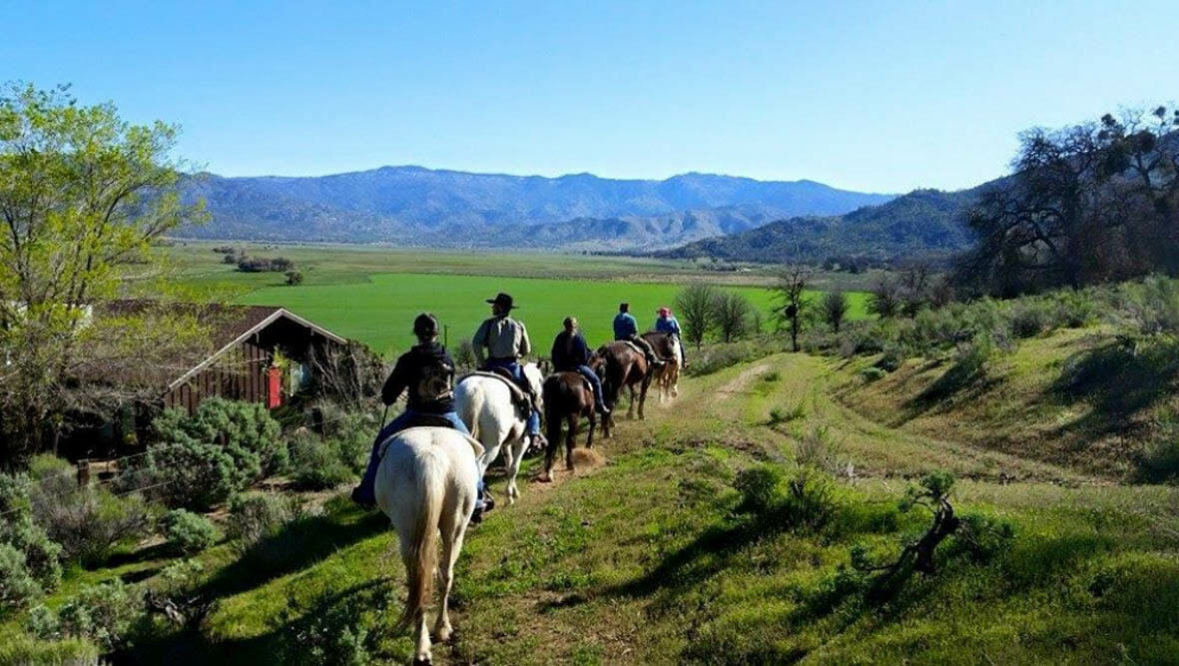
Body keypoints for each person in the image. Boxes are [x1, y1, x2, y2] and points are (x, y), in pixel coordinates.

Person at [352, 313, 493, 519]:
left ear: (417, 334)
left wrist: (389, 398)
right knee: (473, 452)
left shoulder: (408, 360)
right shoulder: (447, 356)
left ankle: (367, 493)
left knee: (380, 442)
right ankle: (478, 497)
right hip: (447, 414)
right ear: (436, 333)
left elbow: (390, 393)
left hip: (416, 414)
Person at [472, 292, 543, 445]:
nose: (492, 308)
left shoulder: (488, 324)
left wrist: (482, 361)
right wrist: (518, 354)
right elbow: (527, 349)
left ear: (499, 307)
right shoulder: (518, 325)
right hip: (511, 367)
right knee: (529, 395)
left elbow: (476, 343)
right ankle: (534, 432)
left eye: (494, 305)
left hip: (491, 365)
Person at [551, 316, 609, 415]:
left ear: (565, 326)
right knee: (596, 381)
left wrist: (557, 365)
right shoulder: (579, 338)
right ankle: (600, 404)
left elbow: (554, 353)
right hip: (577, 367)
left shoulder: (560, 337)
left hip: (560, 367)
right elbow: (584, 357)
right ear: (575, 326)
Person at [613, 302, 662, 367]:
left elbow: (615, 328)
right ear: (627, 309)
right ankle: (654, 361)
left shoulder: (616, 318)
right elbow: (635, 330)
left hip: (618, 338)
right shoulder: (630, 318)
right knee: (646, 345)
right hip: (629, 337)